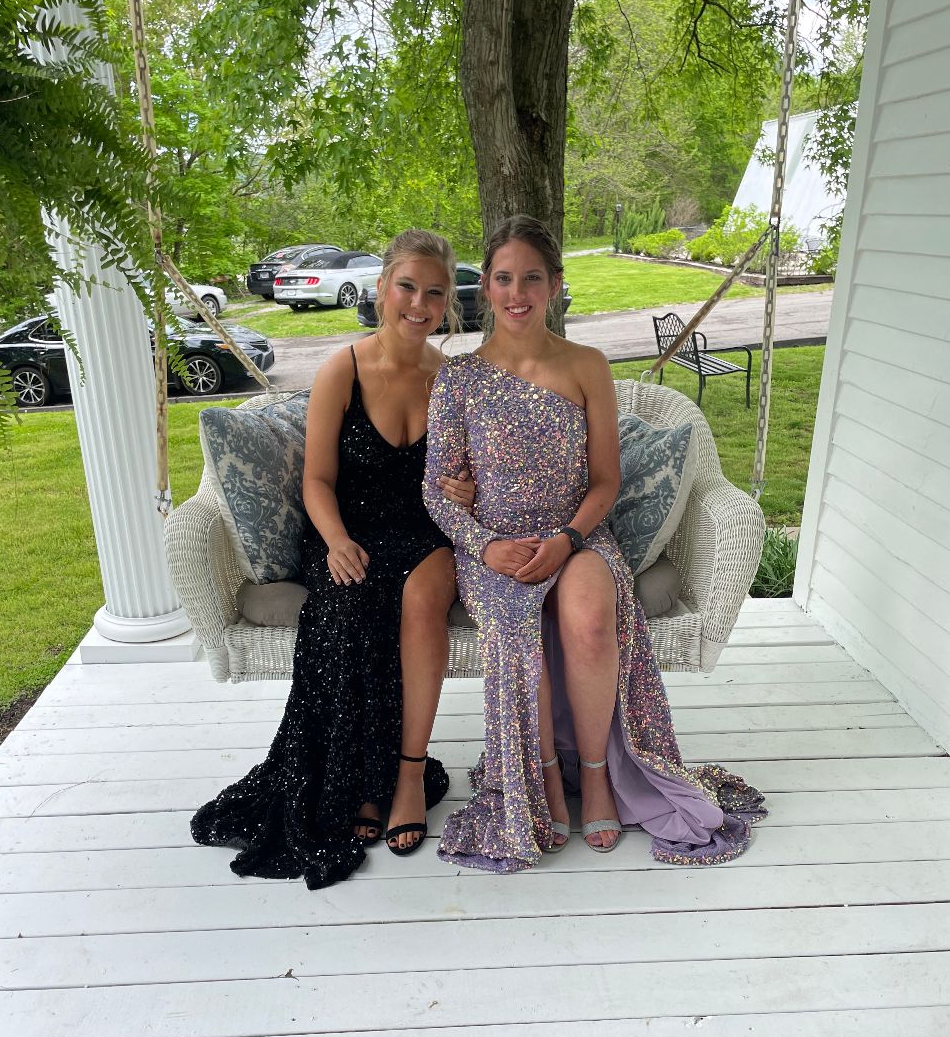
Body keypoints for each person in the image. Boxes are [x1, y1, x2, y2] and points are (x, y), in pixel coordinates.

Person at [423, 214, 765, 872]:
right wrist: (486, 547)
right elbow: (438, 492)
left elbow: (605, 481)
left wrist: (568, 537)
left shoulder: (586, 365)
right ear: (485, 288)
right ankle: (545, 776)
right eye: (502, 278)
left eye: (531, 278)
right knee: (517, 631)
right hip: (493, 545)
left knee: (586, 622)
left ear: (555, 285)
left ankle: (599, 773)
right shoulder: (459, 380)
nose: (516, 291)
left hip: (578, 533)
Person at [191, 229, 474, 890]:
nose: (419, 302)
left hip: (423, 530)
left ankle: (406, 776)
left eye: (435, 292)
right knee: (347, 609)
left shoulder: (453, 380)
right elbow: (315, 480)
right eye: (407, 286)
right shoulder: (342, 368)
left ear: (446, 304)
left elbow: (464, 474)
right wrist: (339, 541)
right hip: (344, 529)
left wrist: (466, 488)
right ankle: (357, 785)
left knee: (424, 603)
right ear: (382, 289)